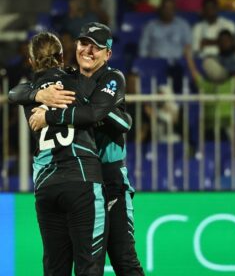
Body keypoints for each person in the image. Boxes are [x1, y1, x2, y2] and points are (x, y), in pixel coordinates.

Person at [10, 23, 145, 275]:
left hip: (110, 180)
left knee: (123, 260)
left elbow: (109, 117)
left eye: (97, 47)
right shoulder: (69, 80)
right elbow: (15, 92)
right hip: (85, 180)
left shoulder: (111, 78)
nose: (88, 51)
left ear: (108, 54)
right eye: (84, 44)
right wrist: (39, 95)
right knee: (77, 263)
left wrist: (49, 116)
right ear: (73, 48)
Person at [11, 31, 108, 276]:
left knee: (55, 270)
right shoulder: (78, 80)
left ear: (31, 62)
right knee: (89, 267)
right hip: (81, 180)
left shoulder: (28, 92)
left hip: (46, 187)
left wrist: (37, 95)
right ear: (62, 56)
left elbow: (13, 93)